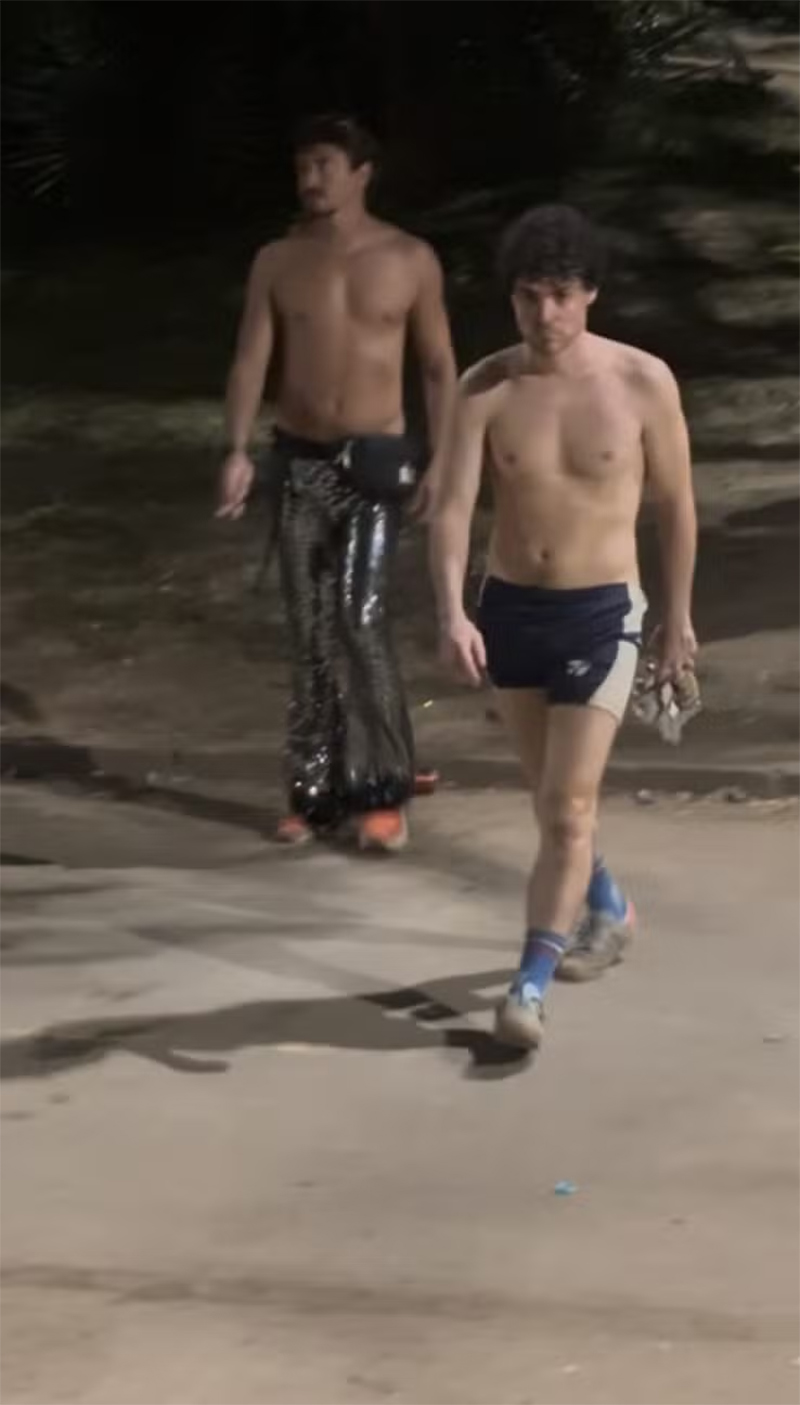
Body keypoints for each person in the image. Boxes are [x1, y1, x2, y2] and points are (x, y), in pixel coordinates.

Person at [430, 204, 697, 1048]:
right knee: (554, 805)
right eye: (527, 296)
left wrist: (678, 620)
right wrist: (451, 610)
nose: (544, 313)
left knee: (569, 805)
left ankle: (528, 988)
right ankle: (608, 905)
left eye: (559, 294)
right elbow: (452, 506)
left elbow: (676, 505)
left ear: (589, 294)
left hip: (601, 613)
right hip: (512, 608)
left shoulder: (642, 381)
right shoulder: (485, 387)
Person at [217, 115, 456, 851]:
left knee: (360, 616)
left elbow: (437, 366)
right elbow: (251, 359)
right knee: (309, 630)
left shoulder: (409, 258)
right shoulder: (277, 260)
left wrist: (443, 461)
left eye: (324, 163)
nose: (310, 179)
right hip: (300, 461)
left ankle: (384, 789)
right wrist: (237, 449)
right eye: (302, 167)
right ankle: (315, 793)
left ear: (361, 173)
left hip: (376, 464)